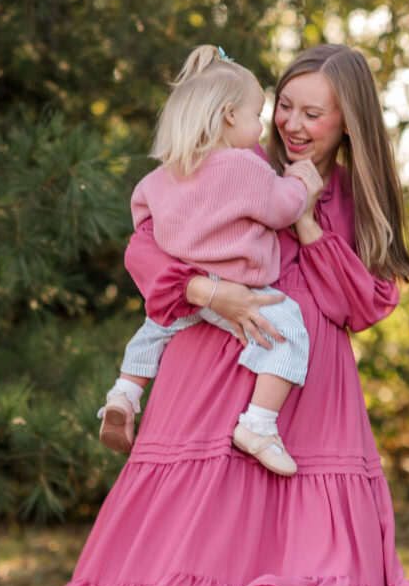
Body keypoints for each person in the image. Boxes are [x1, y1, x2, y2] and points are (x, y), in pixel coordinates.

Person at [16, 44, 409, 586]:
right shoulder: (229, 160)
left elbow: (364, 304)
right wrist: (211, 286)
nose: (292, 123)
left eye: (312, 113)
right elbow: (146, 248)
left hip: (307, 400)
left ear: (351, 120)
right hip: (209, 378)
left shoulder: (351, 194)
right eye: (285, 105)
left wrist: (311, 223)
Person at [98, 44, 321, 477]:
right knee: (289, 331)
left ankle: (124, 394)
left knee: (154, 328)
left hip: (189, 293)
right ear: (228, 115)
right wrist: (297, 182)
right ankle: (258, 424)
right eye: (256, 114)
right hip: (242, 289)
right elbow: (281, 210)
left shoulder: (160, 177)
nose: (261, 126)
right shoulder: (245, 168)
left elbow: (143, 224)